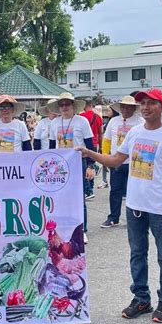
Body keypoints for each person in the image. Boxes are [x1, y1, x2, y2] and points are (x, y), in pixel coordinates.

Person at [77, 88, 162, 323]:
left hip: (159, 208)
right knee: (137, 254)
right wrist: (88, 153)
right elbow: (116, 159)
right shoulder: (134, 133)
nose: (145, 107)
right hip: (135, 205)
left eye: (151, 103)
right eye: (142, 103)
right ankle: (141, 298)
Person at [47, 93, 96, 243]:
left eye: (67, 104)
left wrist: (90, 165)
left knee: (79, 197)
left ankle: (82, 230)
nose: (64, 107)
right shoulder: (54, 123)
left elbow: (90, 145)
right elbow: (51, 147)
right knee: (60, 198)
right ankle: (62, 229)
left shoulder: (82, 122)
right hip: (59, 166)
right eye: (61, 105)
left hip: (78, 163)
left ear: (73, 106)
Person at [100, 96, 144, 228]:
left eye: (129, 107)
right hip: (116, 162)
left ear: (133, 108)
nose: (125, 109)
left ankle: (136, 218)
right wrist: (105, 158)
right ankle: (114, 218)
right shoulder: (113, 121)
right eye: (123, 106)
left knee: (134, 191)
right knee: (115, 191)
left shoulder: (140, 121)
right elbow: (107, 140)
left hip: (134, 162)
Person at [80, 100, 103, 200]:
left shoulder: (82, 116)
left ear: (84, 106)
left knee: (85, 166)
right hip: (94, 143)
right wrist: (100, 146)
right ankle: (91, 187)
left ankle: (88, 190)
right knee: (91, 165)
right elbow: (100, 132)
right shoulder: (98, 117)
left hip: (85, 144)